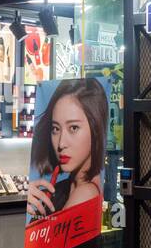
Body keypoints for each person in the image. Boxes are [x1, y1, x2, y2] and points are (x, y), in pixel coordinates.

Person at [25, 78, 108, 220]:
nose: (61, 143)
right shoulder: (64, 188)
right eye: (56, 129)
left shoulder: (87, 193)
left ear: (96, 129)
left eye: (73, 128)